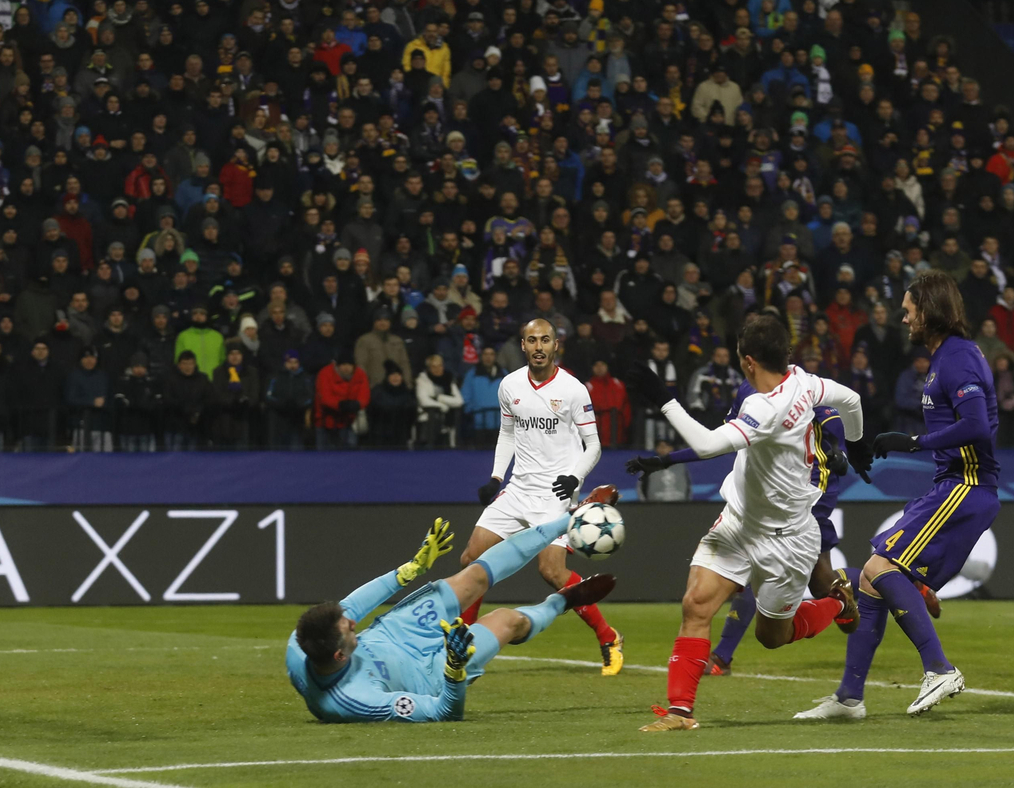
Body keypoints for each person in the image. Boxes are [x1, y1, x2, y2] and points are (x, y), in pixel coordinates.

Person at [628, 313, 874, 731]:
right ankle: (680, 712)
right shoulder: (804, 382)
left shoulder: (766, 404)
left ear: (747, 361)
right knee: (697, 603)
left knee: (771, 636)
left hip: (788, 539)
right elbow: (851, 399)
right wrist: (858, 444)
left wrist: (664, 398)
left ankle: (836, 602)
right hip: (739, 523)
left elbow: (707, 444)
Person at [798, 271, 1002, 719]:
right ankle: (849, 697)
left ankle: (939, 668)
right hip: (951, 485)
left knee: (880, 565)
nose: (904, 317)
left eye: (909, 310)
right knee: (871, 577)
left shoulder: (959, 358)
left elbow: (978, 427)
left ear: (929, 311)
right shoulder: (945, 358)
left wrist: (914, 442)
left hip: (967, 487)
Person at [288, 507, 618, 723]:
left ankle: (572, 517)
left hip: (397, 632)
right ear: (339, 654)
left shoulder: (301, 641)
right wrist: (454, 669)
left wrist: (410, 570)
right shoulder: (354, 702)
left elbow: (355, 604)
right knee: (508, 620)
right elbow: (443, 711)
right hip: (431, 673)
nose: (351, 619)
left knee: (472, 576)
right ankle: (564, 600)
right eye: (348, 628)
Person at [464, 319, 620, 674]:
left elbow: (593, 445)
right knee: (472, 557)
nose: (538, 346)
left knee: (551, 571)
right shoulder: (510, 385)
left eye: (545, 340)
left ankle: (608, 635)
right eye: (532, 340)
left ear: (555, 345)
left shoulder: (573, 389)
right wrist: (495, 477)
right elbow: (507, 435)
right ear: (523, 345)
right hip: (518, 488)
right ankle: (462, 636)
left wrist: (574, 476)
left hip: (556, 493)